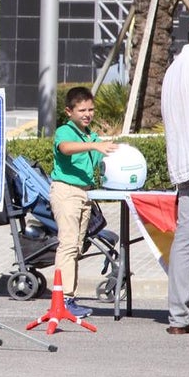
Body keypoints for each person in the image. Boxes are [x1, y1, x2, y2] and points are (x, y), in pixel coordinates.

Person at [49, 86, 118, 320]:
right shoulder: (65, 132)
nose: (87, 114)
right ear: (69, 111)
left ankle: (69, 298)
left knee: (77, 247)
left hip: (84, 194)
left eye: (91, 109)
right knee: (67, 245)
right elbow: (65, 149)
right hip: (66, 192)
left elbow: (103, 154)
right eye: (82, 110)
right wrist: (95, 145)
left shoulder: (90, 135)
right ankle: (63, 299)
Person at [160, 19, 189, 334]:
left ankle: (179, 318)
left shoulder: (172, 70)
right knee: (188, 242)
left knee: (186, 242)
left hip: (184, 165)